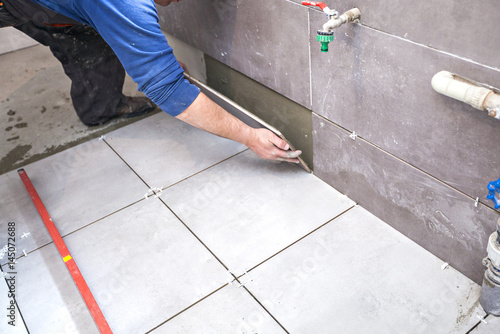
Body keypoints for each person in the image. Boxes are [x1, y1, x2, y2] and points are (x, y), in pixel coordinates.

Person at [1, 0, 302, 163]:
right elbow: (169, 91)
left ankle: (101, 108)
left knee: (87, 35)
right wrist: (249, 136)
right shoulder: (126, 5)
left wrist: (151, 60)